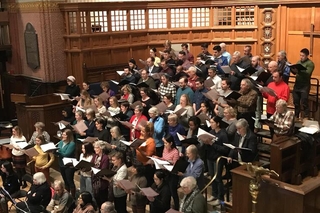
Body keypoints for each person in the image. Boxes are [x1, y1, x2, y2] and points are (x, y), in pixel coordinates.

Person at [203, 117, 229, 204]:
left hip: (218, 159)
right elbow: (208, 146)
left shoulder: (223, 134)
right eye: (210, 122)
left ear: (218, 123)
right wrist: (205, 142)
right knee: (212, 177)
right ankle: (214, 194)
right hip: (210, 157)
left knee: (218, 178)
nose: (211, 124)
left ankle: (220, 198)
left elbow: (225, 149)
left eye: (213, 122)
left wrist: (212, 144)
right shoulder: (211, 132)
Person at [260, 71, 290, 136]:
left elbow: (285, 100)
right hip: (269, 110)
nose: (273, 78)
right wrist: (263, 92)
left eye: (275, 77)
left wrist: (276, 96)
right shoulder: (270, 84)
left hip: (279, 112)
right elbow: (267, 96)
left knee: (278, 131)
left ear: (281, 77)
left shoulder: (285, 87)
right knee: (271, 130)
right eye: (273, 77)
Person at [157, 134, 180, 210]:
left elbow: (175, 164)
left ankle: (176, 208)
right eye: (164, 143)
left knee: (173, 192)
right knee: (166, 191)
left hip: (172, 174)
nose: (165, 145)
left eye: (166, 143)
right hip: (165, 172)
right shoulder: (165, 149)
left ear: (171, 143)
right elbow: (164, 158)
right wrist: (158, 158)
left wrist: (167, 162)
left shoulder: (175, 152)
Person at [292, 48, 315, 119]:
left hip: (305, 85)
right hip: (297, 84)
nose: (301, 57)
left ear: (307, 56)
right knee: (296, 101)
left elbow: (308, 73)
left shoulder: (310, 63)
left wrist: (298, 71)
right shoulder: (299, 62)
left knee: (304, 101)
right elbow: (295, 73)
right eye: (300, 55)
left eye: (303, 56)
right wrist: (292, 69)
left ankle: (306, 116)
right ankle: (296, 116)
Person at [57, 129, 76, 198]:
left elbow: (66, 154)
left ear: (69, 136)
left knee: (70, 180)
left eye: (64, 135)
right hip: (61, 163)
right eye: (62, 134)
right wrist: (54, 151)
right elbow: (59, 152)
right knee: (65, 180)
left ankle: (73, 197)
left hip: (69, 165)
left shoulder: (72, 144)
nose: (63, 136)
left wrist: (59, 150)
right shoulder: (61, 142)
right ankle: (67, 196)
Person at [91, 141, 109, 207]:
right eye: (94, 148)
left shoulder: (105, 157)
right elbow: (91, 164)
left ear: (101, 148)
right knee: (96, 199)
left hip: (102, 182)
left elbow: (103, 169)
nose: (95, 149)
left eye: (96, 148)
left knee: (103, 200)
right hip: (95, 180)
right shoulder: (95, 156)